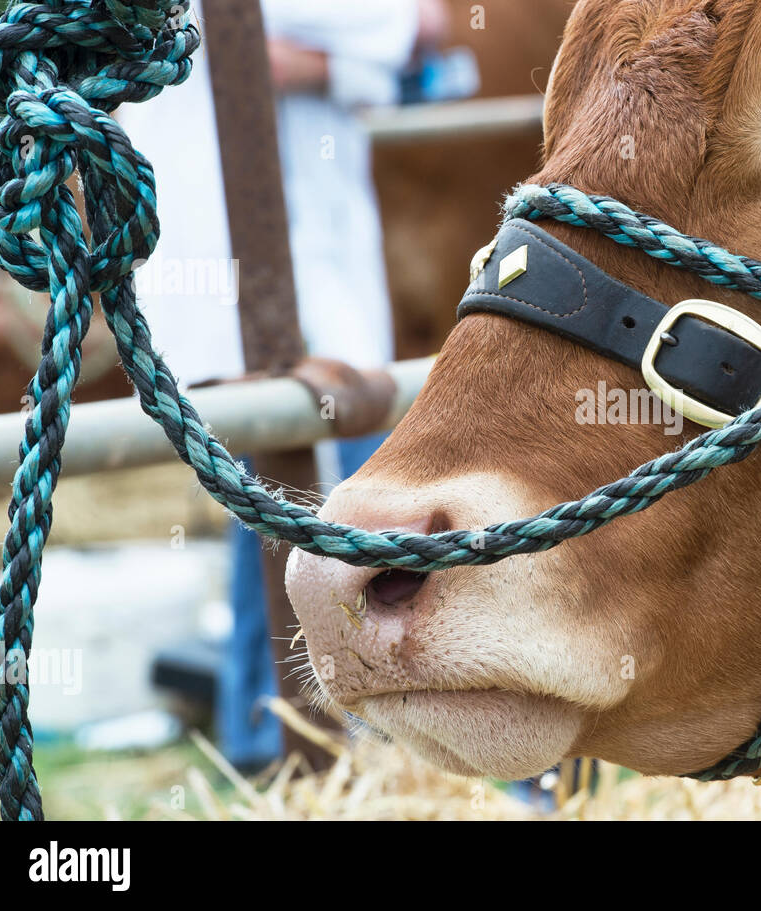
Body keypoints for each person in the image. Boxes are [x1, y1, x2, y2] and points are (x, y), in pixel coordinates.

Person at [120, 0, 448, 768]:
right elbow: (414, 26)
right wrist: (373, 42)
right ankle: (290, 738)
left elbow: (351, 57)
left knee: (278, 504)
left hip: (293, 273)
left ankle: (269, 732)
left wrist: (327, 62)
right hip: (253, 276)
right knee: (307, 496)